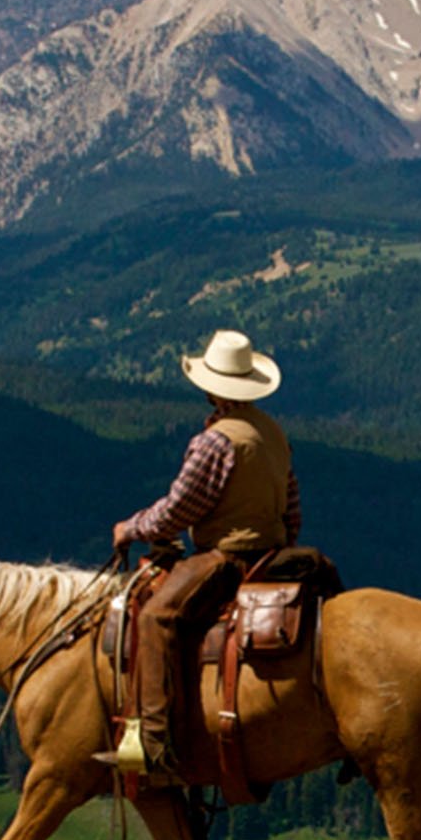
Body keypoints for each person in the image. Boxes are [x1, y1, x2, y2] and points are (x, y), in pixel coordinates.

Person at [112, 329, 301, 784]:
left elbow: (179, 510)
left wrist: (131, 528)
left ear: (212, 386)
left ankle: (152, 743)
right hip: (274, 552)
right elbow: (291, 507)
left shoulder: (215, 442)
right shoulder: (272, 433)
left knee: (156, 617)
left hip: (227, 555)